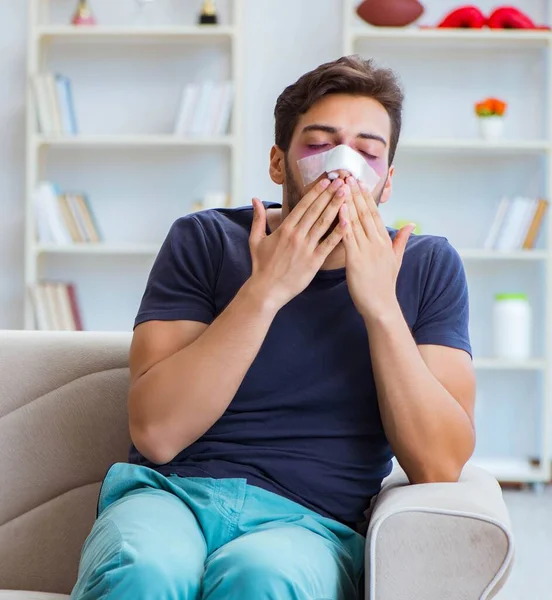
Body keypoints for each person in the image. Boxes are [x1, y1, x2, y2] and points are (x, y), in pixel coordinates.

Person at [71, 55, 476, 600]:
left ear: (388, 181)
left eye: (367, 151)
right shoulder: (205, 241)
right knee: (144, 567)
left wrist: (381, 306)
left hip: (307, 525)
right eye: (320, 142)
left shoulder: (427, 266)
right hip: (169, 498)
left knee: (263, 577)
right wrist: (267, 291)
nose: (342, 165)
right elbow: (158, 434)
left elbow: (439, 463)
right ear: (277, 163)